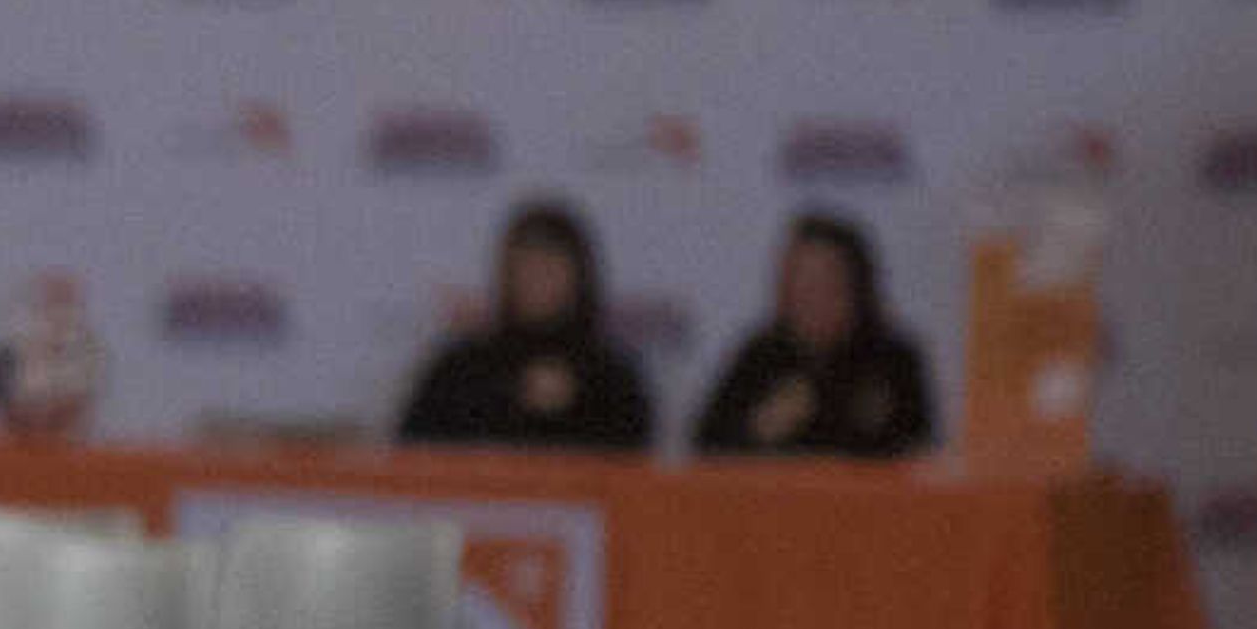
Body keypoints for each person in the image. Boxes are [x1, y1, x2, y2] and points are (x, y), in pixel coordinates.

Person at [393, 199, 652, 449]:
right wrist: (506, 400)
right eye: (526, 264)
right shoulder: (460, 369)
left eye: (551, 265)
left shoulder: (612, 379)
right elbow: (416, 456)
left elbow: (634, 457)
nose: (537, 278)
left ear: (580, 276)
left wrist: (577, 407)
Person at [689, 213, 935, 458]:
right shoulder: (761, 355)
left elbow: (921, 452)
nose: (808, 296)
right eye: (798, 281)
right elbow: (705, 448)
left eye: (823, 282)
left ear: (857, 286)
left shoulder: (893, 359)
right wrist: (760, 428)